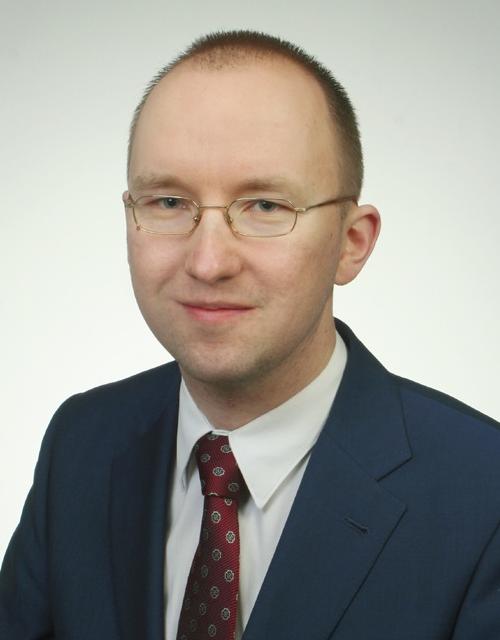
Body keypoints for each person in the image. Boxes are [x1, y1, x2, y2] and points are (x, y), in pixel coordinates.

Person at [1, 30, 500, 640]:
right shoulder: (82, 444)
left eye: (265, 206)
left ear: (352, 243)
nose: (208, 262)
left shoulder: (485, 495)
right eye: (168, 202)